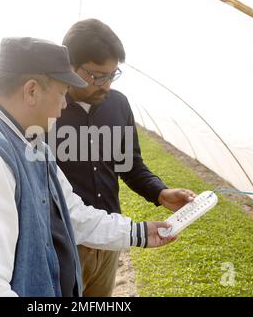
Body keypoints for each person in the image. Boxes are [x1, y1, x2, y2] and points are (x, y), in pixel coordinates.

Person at [0, 37, 176, 297]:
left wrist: (142, 233)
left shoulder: (31, 145)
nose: (65, 104)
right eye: (63, 93)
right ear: (32, 91)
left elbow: (73, 214)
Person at [51, 19, 197, 297]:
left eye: (112, 75)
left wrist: (161, 192)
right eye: (97, 76)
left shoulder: (118, 104)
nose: (105, 85)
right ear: (69, 65)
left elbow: (129, 165)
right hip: (64, 246)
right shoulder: (44, 112)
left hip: (109, 241)